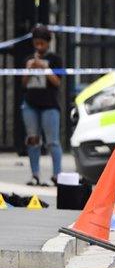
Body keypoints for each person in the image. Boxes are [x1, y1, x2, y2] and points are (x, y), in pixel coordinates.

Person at [21, 25, 63, 186]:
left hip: (49, 105)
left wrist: (45, 68)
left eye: (42, 44)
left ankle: (57, 175)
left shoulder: (55, 59)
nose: (39, 47)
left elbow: (57, 82)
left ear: (48, 43)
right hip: (30, 103)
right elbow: (23, 84)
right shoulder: (28, 59)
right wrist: (29, 69)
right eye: (36, 43)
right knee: (33, 139)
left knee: (52, 141)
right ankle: (35, 174)